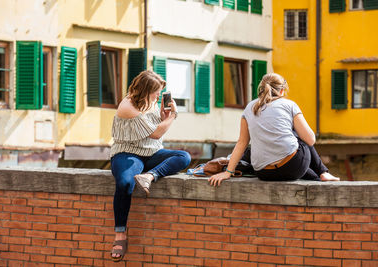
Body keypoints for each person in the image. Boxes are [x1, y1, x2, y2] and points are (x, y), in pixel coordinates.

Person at [109, 70, 191, 261]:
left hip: (152, 153)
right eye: (155, 92)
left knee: (184, 157)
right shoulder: (127, 106)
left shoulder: (152, 102)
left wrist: (163, 117)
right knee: (124, 183)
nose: (158, 96)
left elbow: (156, 133)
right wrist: (173, 117)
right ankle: (120, 234)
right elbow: (154, 133)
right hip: (127, 153)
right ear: (145, 90)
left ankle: (150, 176)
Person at [209, 73, 339, 187]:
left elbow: (241, 143)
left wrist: (228, 172)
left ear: (261, 89)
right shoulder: (289, 105)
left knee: (260, 148)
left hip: (264, 173)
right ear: (282, 91)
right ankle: (323, 173)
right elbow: (310, 140)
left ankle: (318, 177)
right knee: (298, 138)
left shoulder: (249, 108)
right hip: (292, 168)